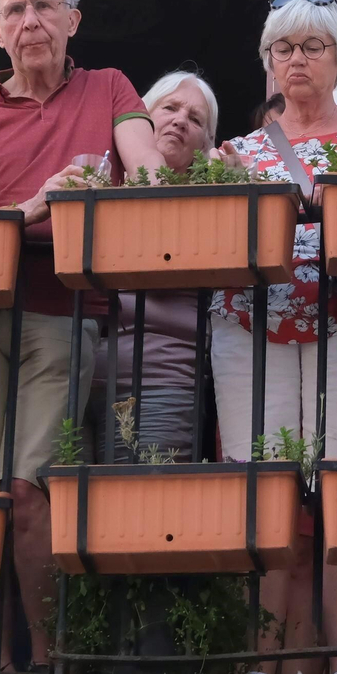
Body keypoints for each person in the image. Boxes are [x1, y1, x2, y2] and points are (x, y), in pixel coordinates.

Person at [0, 0, 164, 674]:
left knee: (30, 493)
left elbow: (148, 173)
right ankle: (1, 664)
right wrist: (33, 208)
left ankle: (45, 663)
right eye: (17, 11)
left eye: (45, 7)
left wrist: (112, 195)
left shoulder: (111, 87)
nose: (32, 21)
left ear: (72, 21)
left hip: (64, 307)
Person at [208, 0, 337, 674]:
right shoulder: (234, 152)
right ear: (269, 60)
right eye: (284, 47)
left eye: (312, 46)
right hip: (248, 331)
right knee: (266, 496)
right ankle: (265, 667)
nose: (297, 59)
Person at [89, 70, 219, 462]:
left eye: (195, 120)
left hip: (160, 382)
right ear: (138, 119)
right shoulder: (96, 184)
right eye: (170, 108)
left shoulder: (213, 207)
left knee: (136, 514)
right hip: (69, 378)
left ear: (206, 145)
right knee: (59, 514)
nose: (180, 120)